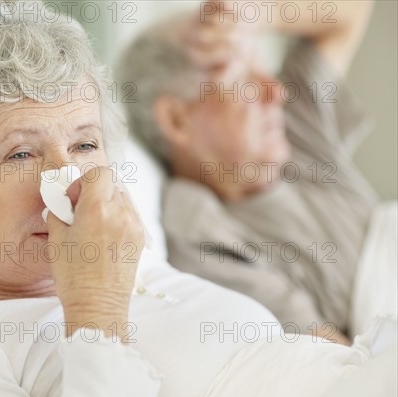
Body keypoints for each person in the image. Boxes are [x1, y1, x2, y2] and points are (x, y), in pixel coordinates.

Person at [0, 1, 395, 397]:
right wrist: (96, 312)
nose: (71, 181)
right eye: (22, 153)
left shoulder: (134, 254)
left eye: (84, 144)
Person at [116, 1, 380, 344]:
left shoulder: (294, 124)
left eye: (264, 69)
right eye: (243, 80)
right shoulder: (199, 229)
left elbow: (351, 13)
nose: (276, 93)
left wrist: (263, 14)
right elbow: (338, 357)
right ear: (177, 120)